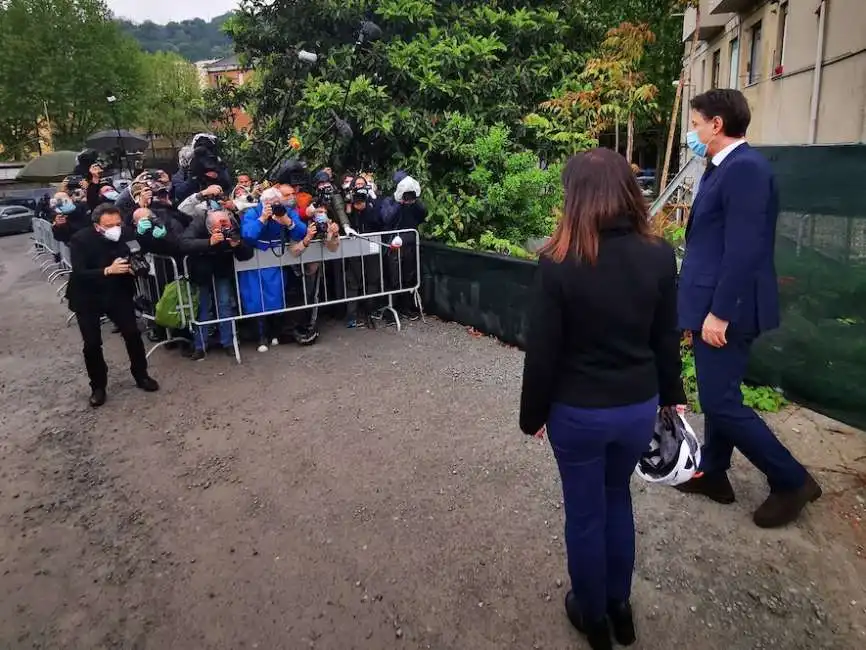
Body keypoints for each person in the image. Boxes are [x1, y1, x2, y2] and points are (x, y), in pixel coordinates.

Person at [519, 149, 686, 650]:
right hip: (636, 407)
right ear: (627, 191)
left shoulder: (558, 261)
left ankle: (592, 618)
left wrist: (533, 416)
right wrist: (672, 396)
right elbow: (665, 336)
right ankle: (620, 608)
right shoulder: (659, 255)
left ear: (577, 196)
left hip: (578, 413)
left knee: (586, 514)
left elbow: (542, 352)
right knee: (617, 501)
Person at [675, 89, 821, 528]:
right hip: (715, 303)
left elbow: (744, 249)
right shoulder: (724, 167)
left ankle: (792, 480)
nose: (693, 132)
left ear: (716, 125)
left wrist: (720, 312)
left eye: (697, 123)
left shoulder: (746, 170)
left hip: (727, 309)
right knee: (721, 397)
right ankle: (715, 475)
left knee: (720, 402)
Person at [66, 203, 160, 407]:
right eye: (109, 225)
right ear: (97, 225)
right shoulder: (80, 239)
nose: (115, 228)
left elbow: (136, 253)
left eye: (117, 223)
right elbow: (79, 272)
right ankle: (98, 386)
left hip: (118, 292)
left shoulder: (126, 233)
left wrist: (136, 267)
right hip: (87, 296)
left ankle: (141, 375)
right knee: (92, 344)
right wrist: (107, 270)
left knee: (133, 334)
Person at [239, 187, 307, 351]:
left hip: (276, 261)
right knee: (255, 299)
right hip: (254, 264)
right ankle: (261, 336)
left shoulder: (286, 212)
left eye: (277, 203)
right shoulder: (253, 213)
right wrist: (262, 218)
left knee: (276, 297)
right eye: (271, 204)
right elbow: (247, 234)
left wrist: (287, 222)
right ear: (263, 203)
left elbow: (301, 231)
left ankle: (275, 333)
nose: (275, 206)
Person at [182, 209, 254, 360]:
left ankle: (228, 342)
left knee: (225, 304)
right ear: (210, 225)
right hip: (201, 272)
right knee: (203, 308)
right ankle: (200, 345)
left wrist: (238, 244)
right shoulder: (198, 223)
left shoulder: (232, 224)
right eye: (219, 226)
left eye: (226, 225)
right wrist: (209, 242)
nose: (224, 228)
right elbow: (184, 243)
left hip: (222, 270)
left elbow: (247, 254)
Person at [379, 171, 427, 318]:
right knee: (393, 278)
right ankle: (391, 309)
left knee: (409, 276)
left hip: (410, 244)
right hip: (393, 244)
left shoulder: (413, 203)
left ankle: (405, 307)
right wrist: (399, 203)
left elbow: (423, 214)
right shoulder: (389, 201)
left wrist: (415, 200)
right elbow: (387, 219)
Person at [344, 181, 384, 328]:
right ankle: (351, 315)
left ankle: (370, 312)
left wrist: (368, 205)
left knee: (372, 279)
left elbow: (379, 221)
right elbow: (346, 222)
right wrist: (349, 206)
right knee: (353, 280)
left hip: (371, 247)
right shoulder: (347, 204)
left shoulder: (373, 204)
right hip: (353, 248)